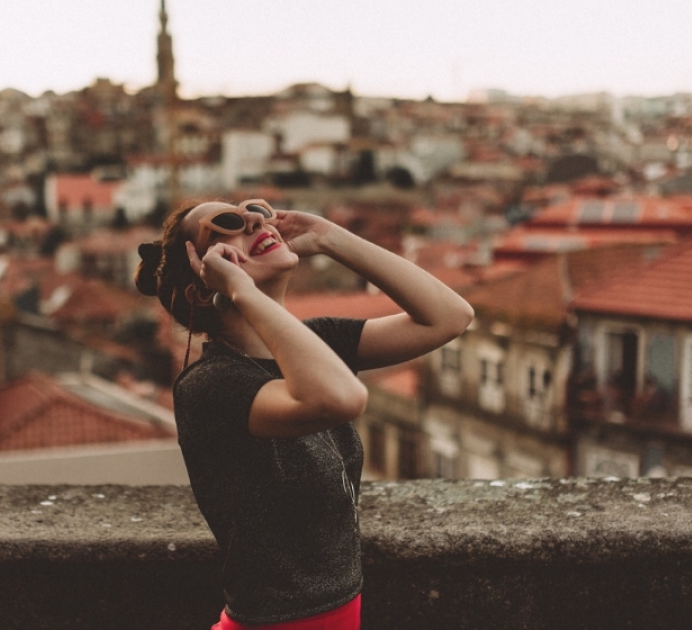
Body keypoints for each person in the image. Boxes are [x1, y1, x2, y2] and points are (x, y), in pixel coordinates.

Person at [135, 198, 474, 630]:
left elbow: (450, 317)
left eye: (254, 209)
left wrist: (330, 238)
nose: (254, 219)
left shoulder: (316, 345)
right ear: (204, 287)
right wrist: (241, 291)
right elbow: (341, 398)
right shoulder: (210, 385)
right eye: (226, 223)